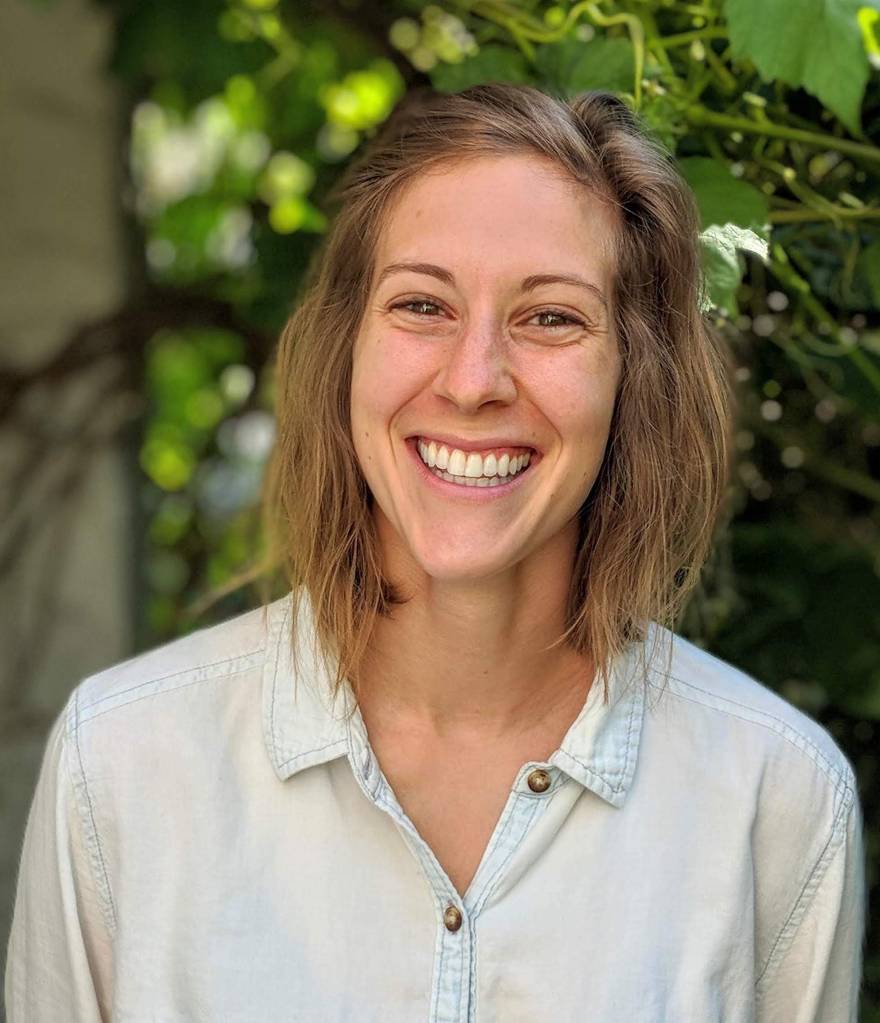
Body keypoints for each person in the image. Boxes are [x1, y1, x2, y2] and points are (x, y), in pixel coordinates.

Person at [5, 84, 866, 1022]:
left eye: (551, 317)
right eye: (422, 304)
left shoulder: (775, 799)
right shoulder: (123, 762)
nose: (472, 380)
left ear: (637, 374)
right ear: (346, 349)